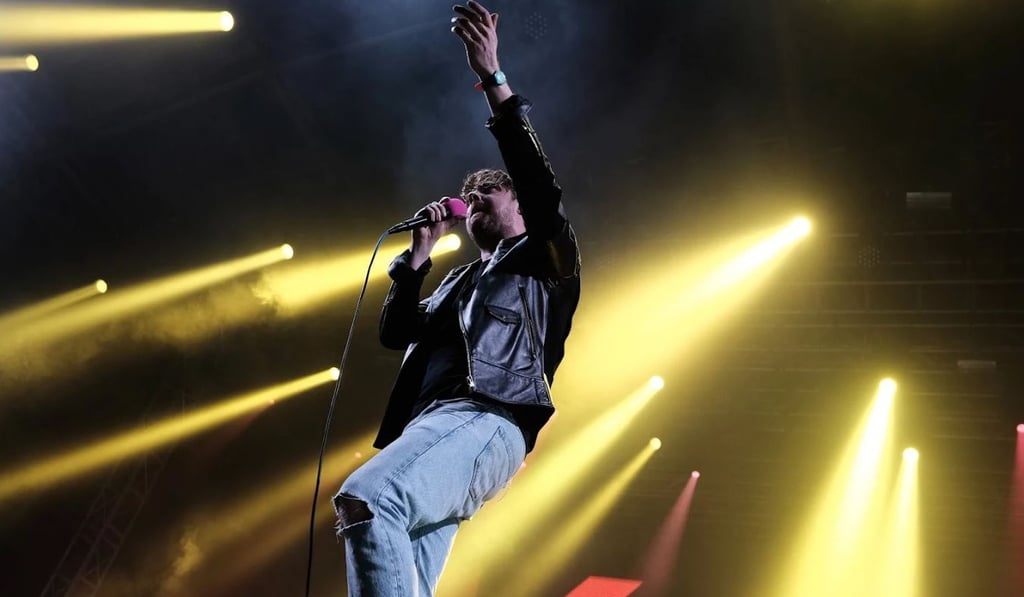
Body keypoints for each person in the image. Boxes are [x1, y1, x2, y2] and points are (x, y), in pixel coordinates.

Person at [333, 2, 580, 595]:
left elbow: (540, 184)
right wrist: (417, 258)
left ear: (519, 208)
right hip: (436, 429)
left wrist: (493, 77)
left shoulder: (545, 262)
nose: (474, 197)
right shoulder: (457, 281)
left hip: (486, 417)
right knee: (407, 572)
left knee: (367, 500)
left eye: (490, 191)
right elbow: (397, 335)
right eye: (470, 193)